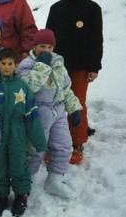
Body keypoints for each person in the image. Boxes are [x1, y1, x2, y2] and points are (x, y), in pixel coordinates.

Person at [46, 0, 103, 164]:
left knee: (76, 102)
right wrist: (46, 61)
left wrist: (94, 66)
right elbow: (48, 38)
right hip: (58, 65)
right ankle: (53, 141)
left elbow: (97, 39)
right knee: (54, 102)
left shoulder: (93, 9)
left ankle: (77, 142)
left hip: (81, 65)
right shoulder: (56, 8)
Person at [16, 29, 83, 200]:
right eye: (41, 46)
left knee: (63, 145)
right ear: (35, 46)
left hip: (58, 109)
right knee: (35, 148)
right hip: (38, 111)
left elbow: (66, 89)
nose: (45, 50)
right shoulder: (27, 64)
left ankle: (54, 179)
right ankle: (26, 179)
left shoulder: (59, 63)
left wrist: (74, 107)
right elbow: (27, 88)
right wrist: (42, 66)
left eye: (49, 47)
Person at [0, 49, 47, 217]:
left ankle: (21, 195)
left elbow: (32, 114)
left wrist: (39, 141)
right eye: (3, 64)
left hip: (17, 133)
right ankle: (1, 196)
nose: (6, 67)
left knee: (19, 164)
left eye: (10, 64)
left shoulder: (22, 86)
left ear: (15, 65)